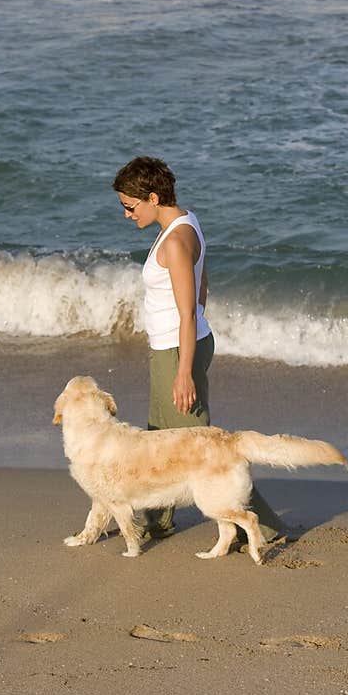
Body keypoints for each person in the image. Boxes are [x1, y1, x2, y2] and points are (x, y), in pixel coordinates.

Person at [112, 155, 286, 545]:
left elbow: (187, 312)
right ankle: (157, 519)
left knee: (203, 446)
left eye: (129, 206)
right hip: (177, 346)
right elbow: (201, 281)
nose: (126, 215)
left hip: (178, 350)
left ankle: (267, 529)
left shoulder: (174, 240)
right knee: (159, 438)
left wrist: (184, 370)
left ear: (152, 198)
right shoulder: (186, 220)